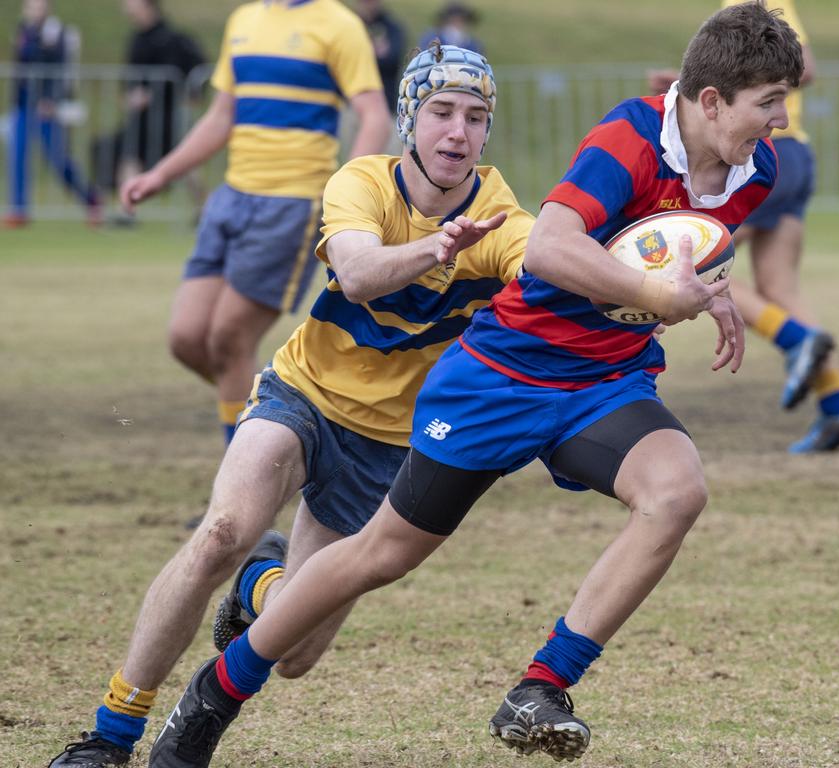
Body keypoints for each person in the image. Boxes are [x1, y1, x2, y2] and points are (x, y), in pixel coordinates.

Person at [150, 3, 802, 764]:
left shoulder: (758, 170)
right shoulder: (626, 140)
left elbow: (665, 247)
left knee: (676, 493)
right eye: (769, 102)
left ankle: (542, 688)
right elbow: (553, 247)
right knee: (381, 555)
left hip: (606, 379)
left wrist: (707, 288)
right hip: (502, 373)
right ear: (714, 100)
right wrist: (662, 298)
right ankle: (216, 693)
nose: (783, 120)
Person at [47, 43, 533, 767]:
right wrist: (438, 248)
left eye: (475, 116)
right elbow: (362, 273)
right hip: (302, 393)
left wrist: (657, 279)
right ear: (410, 118)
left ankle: (265, 580)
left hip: (391, 444)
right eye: (441, 113)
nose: (457, 133)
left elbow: (553, 269)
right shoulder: (361, 181)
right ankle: (109, 736)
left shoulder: (500, 216)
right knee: (221, 532)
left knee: (298, 652)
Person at [116, 0, 392, 450]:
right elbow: (221, 116)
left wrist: (348, 192)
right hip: (231, 200)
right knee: (187, 338)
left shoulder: (339, 25)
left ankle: (241, 498)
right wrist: (160, 173)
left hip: (292, 204)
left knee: (228, 338)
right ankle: (280, 415)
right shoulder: (243, 20)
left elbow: (374, 116)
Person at [650, 0, 839, 453]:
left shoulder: (750, 7)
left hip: (765, 154)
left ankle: (797, 339)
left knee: (706, 265)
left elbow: (799, 68)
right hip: (794, 156)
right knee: (780, 287)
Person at [91, 0, 207, 222]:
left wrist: (191, 94)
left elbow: (190, 69)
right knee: (129, 153)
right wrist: (129, 93)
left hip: (167, 113)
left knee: (184, 160)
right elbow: (131, 74)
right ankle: (127, 211)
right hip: (141, 115)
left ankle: (206, 207)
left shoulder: (171, 38)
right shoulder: (137, 39)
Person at [5, 0, 101, 228]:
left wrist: (52, 100)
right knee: (17, 156)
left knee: (58, 160)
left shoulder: (58, 33)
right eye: (30, 6)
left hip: (47, 108)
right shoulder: (24, 32)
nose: (34, 11)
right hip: (23, 105)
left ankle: (91, 199)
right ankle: (18, 210)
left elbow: (63, 70)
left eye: (39, 6)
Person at [355, 0, 407, 113]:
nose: (368, 5)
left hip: (385, 103)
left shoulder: (392, 27)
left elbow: (393, 60)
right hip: (352, 103)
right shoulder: (350, 25)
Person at [418, 2, 485, 54]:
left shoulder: (472, 43)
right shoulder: (431, 38)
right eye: (454, 21)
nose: (458, 24)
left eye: (462, 21)